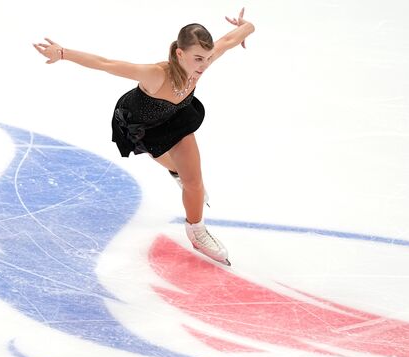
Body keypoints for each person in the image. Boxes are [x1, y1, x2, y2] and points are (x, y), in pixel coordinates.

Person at [33, 8, 255, 266]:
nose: (204, 66)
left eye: (207, 58)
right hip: (141, 125)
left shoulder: (201, 60)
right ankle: (175, 172)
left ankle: (196, 231)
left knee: (194, 181)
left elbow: (233, 38)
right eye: (197, 59)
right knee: (174, 167)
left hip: (176, 118)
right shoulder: (156, 74)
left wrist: (244, 25)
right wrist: (62, 53)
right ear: (179, 53)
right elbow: (106, 64)